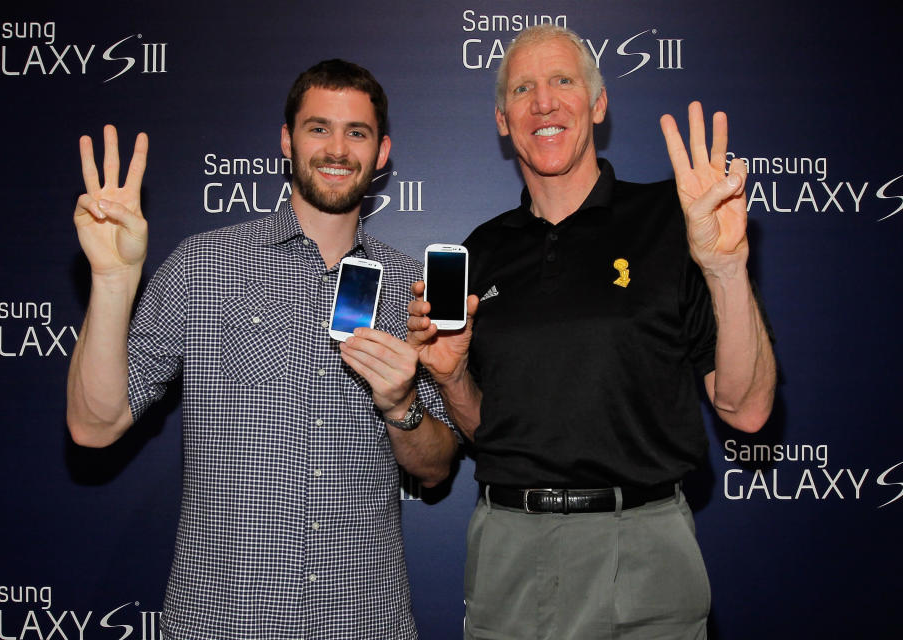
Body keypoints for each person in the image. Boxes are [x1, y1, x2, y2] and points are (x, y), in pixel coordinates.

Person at [66, 59, 458, 640]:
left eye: (357, 132)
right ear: (286, 140)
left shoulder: (409, 288)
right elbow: (93, 426)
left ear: (381, 154)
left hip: (363, 618)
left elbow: (436, 468)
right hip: (223, 620)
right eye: (318, 127)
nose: (337, 148)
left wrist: (401, 403)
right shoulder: (205, 265)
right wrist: (113, 279)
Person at [407, 25, 776, 639]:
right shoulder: (482, 251)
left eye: (562, 81)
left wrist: (725, 266)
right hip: (507, 551)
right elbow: (488, 433)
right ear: (503, 119)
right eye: (522, 88)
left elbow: (748, 408)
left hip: (644, 550)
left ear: (598, 104)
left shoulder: (676, 221)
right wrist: (450, 379)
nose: (543, 102)